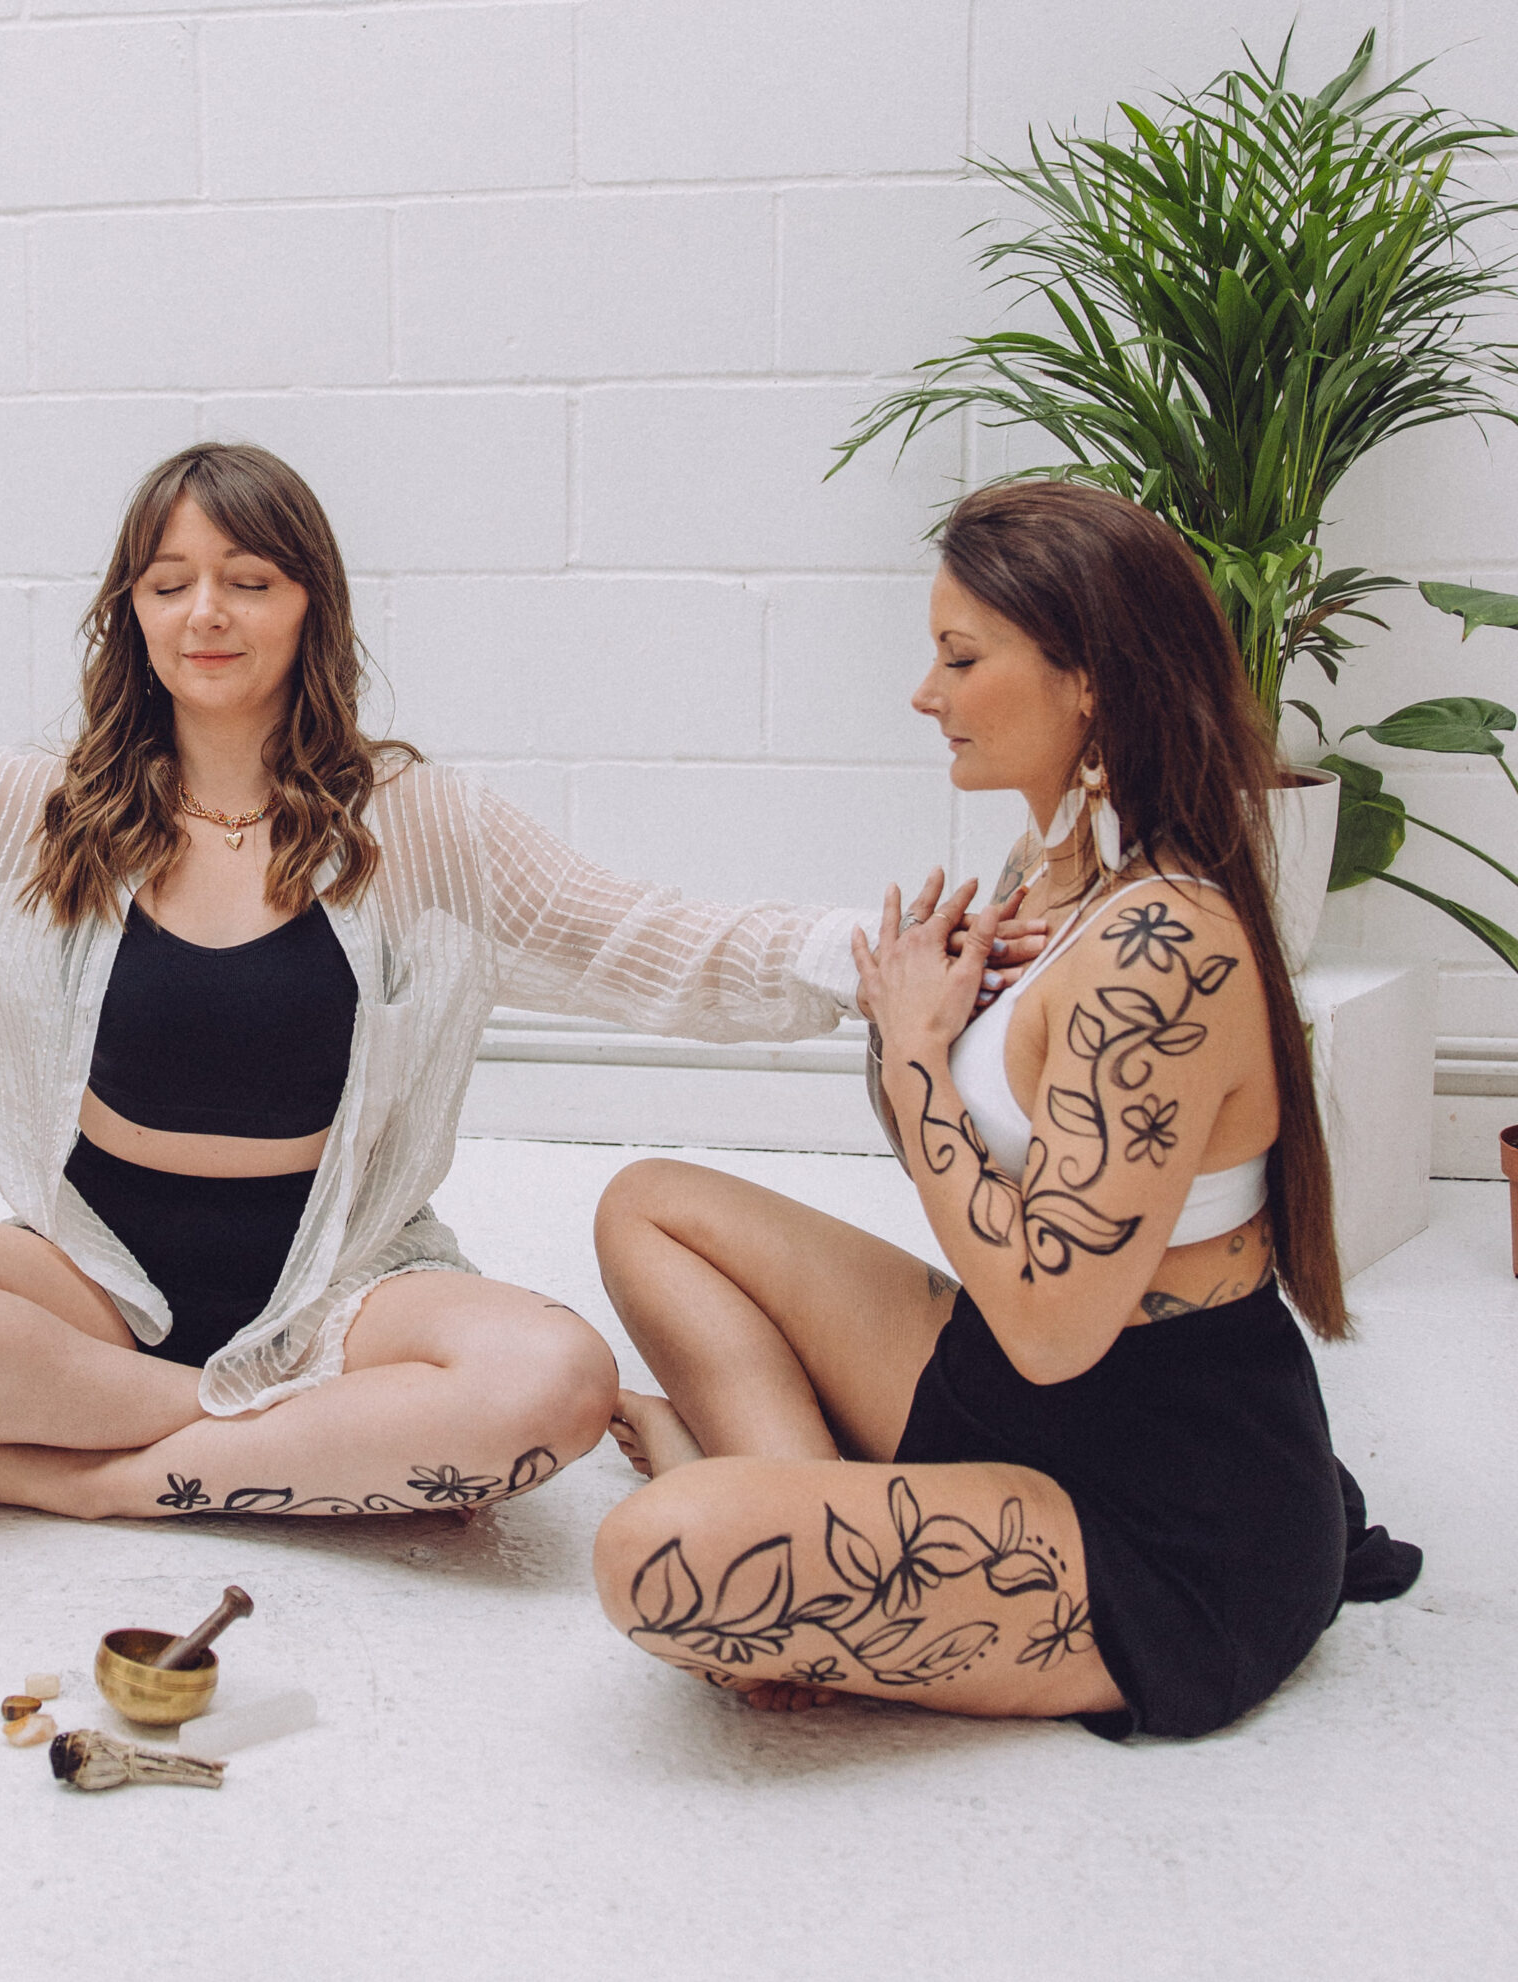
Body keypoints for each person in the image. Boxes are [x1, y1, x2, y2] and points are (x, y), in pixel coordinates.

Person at [0, 442, 1035, 1523]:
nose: (209, 610)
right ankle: (223, 1426)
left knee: (543, 1379)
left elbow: (655, 942)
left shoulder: (425, 827)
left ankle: (101, 1477)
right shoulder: (21, 807)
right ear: (129, 606)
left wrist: (862, 961)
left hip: (342, 1289)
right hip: (94, 1278)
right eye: (174, 579)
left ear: (308, 606)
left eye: (250, 579)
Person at [591, 481, 1418, 1738]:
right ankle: (808, 1508)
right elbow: (977, 1182)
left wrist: (923, 1055)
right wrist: (918, 1012)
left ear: (1088, 678)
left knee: (654, 1557)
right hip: (1007, 1377)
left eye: (960, 657)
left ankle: (769, 1508)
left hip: (1159, 1502)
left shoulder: (1159, 944)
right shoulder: (1059, 867)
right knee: (647, 1204)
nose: (926, 694)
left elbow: (1050, 1330)